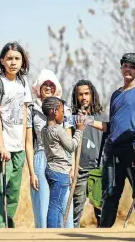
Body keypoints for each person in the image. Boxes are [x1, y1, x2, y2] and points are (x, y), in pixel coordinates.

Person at [91, 52, 135, 228]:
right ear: (121, 68)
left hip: (133, 147)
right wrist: (88, 121)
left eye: (133, 67)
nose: (128, 69)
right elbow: (112, 125)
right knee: (110, 192)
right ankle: (105, 231)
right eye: (126, 65)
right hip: (113, 150)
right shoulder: (115, 95)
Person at [0, 41, 32, 228]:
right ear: (2, 61)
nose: (13, 62)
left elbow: (25, 116)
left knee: (12, 190)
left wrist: (24, 144)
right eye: (9, 58)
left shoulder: (23, 83)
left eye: (17, 58)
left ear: (23, 61)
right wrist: (2, 147)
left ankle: (8, 228)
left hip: (17, 146)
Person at [25, 69, 74, 228]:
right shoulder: (31, 109)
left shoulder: (64, 108)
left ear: (56, 87)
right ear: (38, 87)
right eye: (44, 83)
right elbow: (27, 143)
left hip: (62, 160)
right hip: (41, 158)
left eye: (51, 84)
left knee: (64, 205)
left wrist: (72, 167)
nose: (47, 86)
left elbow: (69, 141)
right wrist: (32, 172)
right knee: (43, 205)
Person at [41, 97, 85, 228]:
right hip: (60, 171)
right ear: (54, 111)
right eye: (61, 111)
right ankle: (52, 235)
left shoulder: (44, 129)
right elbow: (71, 146)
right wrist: (79, 130)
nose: (63, 114)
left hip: (50, 169)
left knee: (56, 204)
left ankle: (55, 230)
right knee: (55, 206)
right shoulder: (58, 130)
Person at [70, 80, 107, 227]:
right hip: (80, 169)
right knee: (76, 207)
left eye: (86, 93)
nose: (83, 97)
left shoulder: (102, 118)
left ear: (92, 95)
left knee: (101, 209)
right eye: (80, 94)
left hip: (98, 168)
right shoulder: (72, 118)